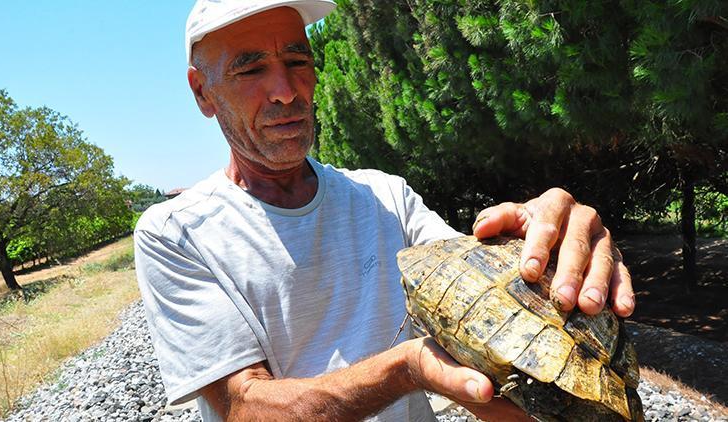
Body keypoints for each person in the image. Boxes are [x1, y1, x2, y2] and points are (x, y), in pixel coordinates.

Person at [134, 1, 636, 421]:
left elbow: (484, 332)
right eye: (250, 69)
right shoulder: (176, 233)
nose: (286, 90)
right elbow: (244, 407)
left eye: (297, 60)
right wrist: (406, 368)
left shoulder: (384, 197)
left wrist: (542, 243)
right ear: (202, 91)